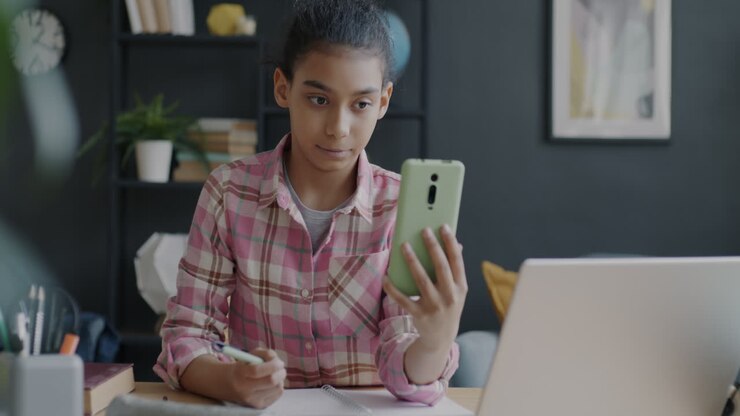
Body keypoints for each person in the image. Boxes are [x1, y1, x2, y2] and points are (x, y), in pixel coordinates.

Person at [154, 0, 468, 409]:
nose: (339, 128)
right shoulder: (228, 193)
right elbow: (186, 339)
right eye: (319, 100)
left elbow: (404, 372)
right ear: (283, 88)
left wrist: (435, 340)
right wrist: (232, 381)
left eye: (361, 104)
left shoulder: (397, 207)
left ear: (384, 101)